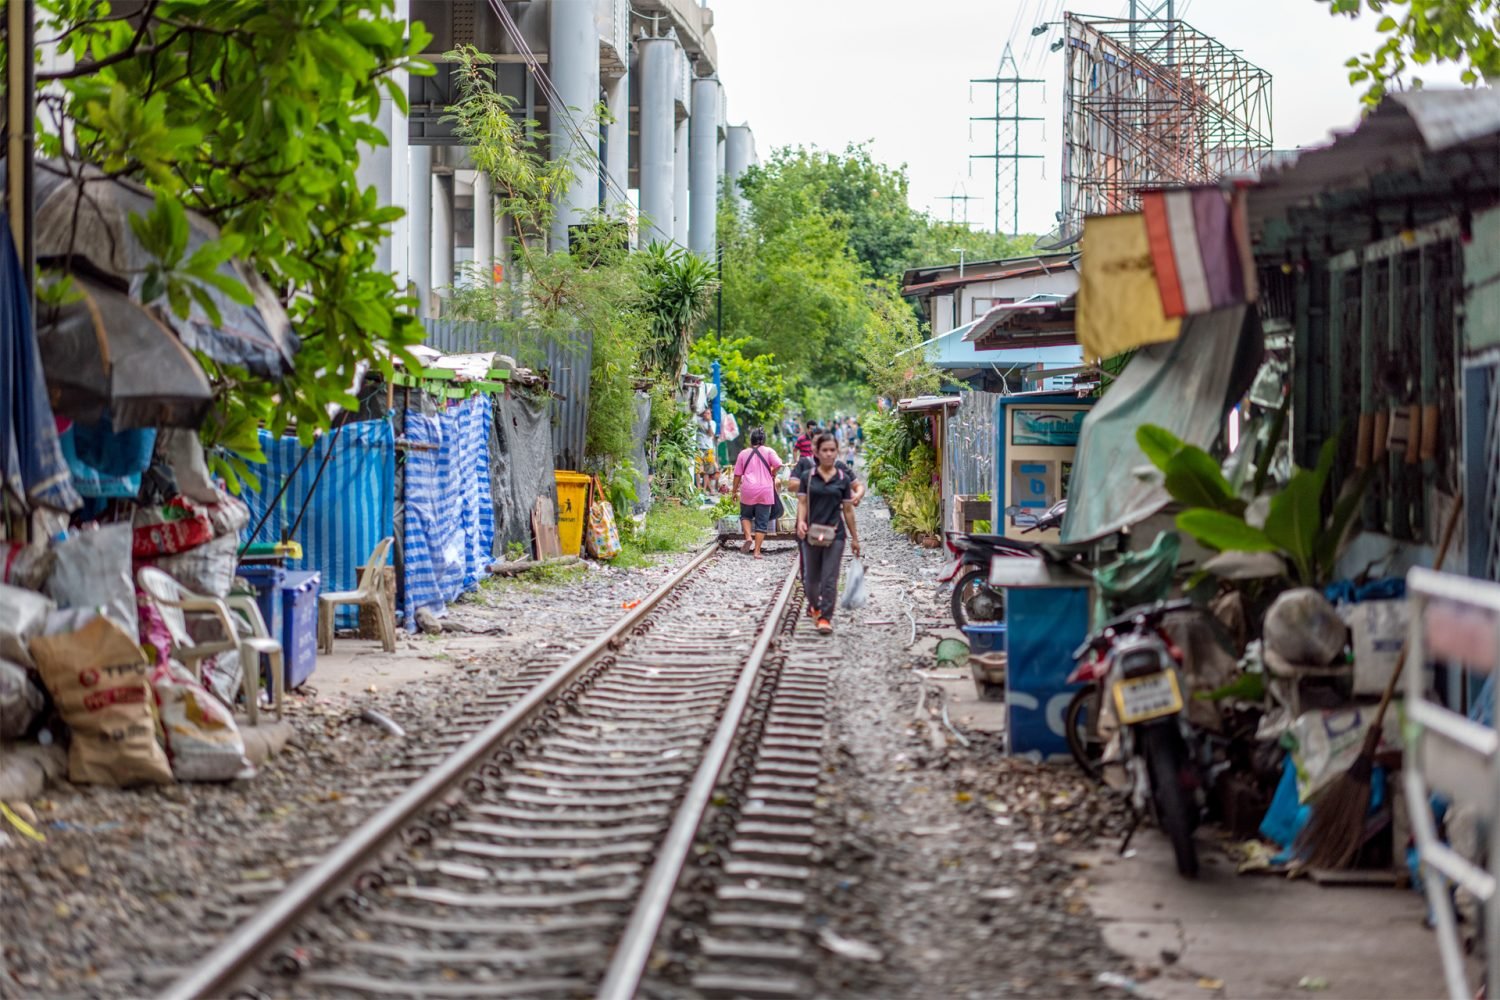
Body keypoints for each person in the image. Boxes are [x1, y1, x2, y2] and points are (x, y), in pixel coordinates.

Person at [797, 433, 861, 635]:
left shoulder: (842, 479)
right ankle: (815, 606)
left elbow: (848, 510)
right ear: (816, 452)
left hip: (836, 534)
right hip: (811, 533)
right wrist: (800, 522)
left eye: (832, 450)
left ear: (837, 452)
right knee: (810, 580)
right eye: (824, 450)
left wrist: (855, 538)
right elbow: (803, 502)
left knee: (829, 578)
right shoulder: (807, 477)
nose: (829, 454)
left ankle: (825, 617)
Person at [731, 428, 782, 558]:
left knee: (745, 515)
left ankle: (748, 537)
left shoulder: (743, 453)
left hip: (748, 489)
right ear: (763, 440)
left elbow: (737, 475)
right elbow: (778, 464)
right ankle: (757, 551)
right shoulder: (769, 451)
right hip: (765, 490)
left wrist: (734, 491)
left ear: (751, 440)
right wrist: (773, 472)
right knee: (762, 522)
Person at [695, 408, 718, 493]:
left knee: (707, 471)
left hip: (709, 449)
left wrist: (708, 423)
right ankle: (698, 487)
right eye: (705, 413)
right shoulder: (698, 420)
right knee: (697, 469)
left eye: (708, 413)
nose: (706, 415)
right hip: (698, 448)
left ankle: (704, 489)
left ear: (710, 415)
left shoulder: (713, 423)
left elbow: (711, 434)